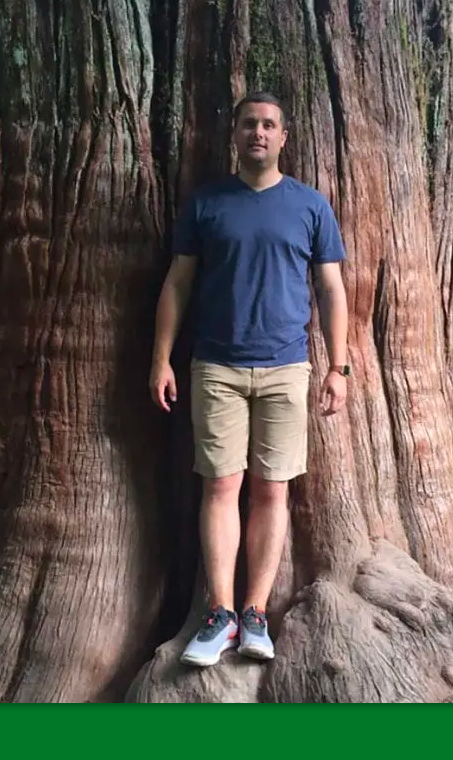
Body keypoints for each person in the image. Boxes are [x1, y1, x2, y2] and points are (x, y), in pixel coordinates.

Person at [149, 92, 349, 667]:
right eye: (248, 124)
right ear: (233, 133)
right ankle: (220, 615)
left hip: (288, 368)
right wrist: (160, 358)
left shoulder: (310, 206)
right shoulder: (207, 203)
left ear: (283, 136)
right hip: (216, 366)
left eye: (268, 125)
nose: (258, 133)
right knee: (219, 487)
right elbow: (177, 284)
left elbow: (331, 288)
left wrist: (339, 366)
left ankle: (256, 613)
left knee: (272, 489)